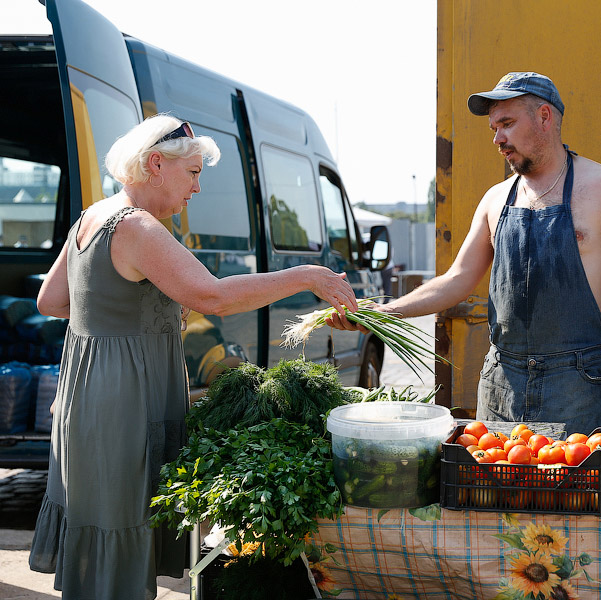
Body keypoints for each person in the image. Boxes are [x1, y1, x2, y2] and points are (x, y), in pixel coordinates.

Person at [28, 114, 357, 599]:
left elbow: (52, 302)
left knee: (96, 548)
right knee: (118, 560)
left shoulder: (92, 216)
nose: (198, 188)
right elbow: (217, 298)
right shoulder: (138, 227)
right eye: (194, 173)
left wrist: (145, 308)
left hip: (85, 400)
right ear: (156, 163)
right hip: (124, 409)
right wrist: (309, 276)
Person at [329, 71, 601, 436]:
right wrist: (382, 313)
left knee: (573, 509)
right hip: (502, 381)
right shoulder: (496, 199)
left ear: (544, 117)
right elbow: (457, 279)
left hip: (576, 382)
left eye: (507, 124)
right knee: (497, 504)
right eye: (494, 128)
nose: (498, 139)